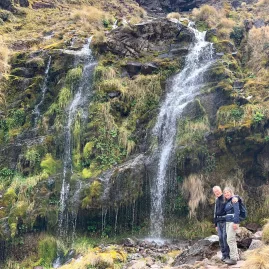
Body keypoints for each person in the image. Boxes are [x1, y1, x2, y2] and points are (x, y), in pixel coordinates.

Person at [223, 187, 240, 265]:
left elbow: (237, 211)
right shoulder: (228, 201)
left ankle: (233, 259)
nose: (226, 194)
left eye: (228, 192)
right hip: (228, 222)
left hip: (233, 222)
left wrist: (236, 222)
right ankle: (236, 256)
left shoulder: (234, 199)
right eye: (225, 193)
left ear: (231, 192)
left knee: (230, 240)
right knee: (232, 240)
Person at [212, 186, 230, 262]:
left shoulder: (225, 198)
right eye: (215, 191)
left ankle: (228, 255)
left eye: (218, 190)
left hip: (225, 221)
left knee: (224, 237)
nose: (217, 192)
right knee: (220, 238)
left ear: (221, 190)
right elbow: (215, 213)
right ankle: (223, 255)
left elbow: (233, 197)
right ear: (214, 193)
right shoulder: (216, 200)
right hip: (219, 222)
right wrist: (215, 224)